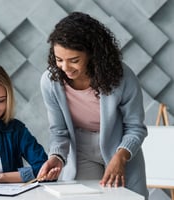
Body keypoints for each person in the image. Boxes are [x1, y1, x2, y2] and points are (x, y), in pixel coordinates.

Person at [37, 12, 148, 199]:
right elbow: (58, 131)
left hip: (120, 148)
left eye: (74, 60)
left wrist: (121, 157)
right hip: (81, 150)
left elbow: (135, 127)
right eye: (59, 59)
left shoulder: (122, 77)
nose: (65, 67)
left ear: (92, 54)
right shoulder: (50, 82)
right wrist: (56, 156)